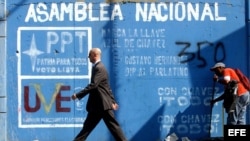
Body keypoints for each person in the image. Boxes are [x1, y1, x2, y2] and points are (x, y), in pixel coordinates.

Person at [71, 48, 127, 141]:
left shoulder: (99, 68)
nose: (88, 57)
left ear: (95, 55)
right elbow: (106, 87)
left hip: (102, 104)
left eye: (90, 55)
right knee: (86, 128)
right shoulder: (98, 67)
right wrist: (112, 101)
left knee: (114, 128)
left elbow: (94, 85)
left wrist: (78, 95)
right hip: (97, 105)